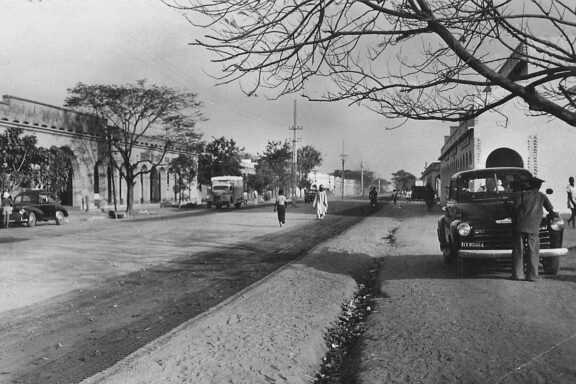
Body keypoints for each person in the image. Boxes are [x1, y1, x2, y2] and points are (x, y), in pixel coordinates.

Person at [511, 176, 556, 282]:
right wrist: (553, 215)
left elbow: (515, 209)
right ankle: (532, 276)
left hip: (521, 225)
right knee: (533, 251)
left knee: (518, 251)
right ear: (539, 186)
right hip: (534, 227)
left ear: (529, 184)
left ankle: (518, 275)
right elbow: (551, 210)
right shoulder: (542, 196)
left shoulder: (522, 194)